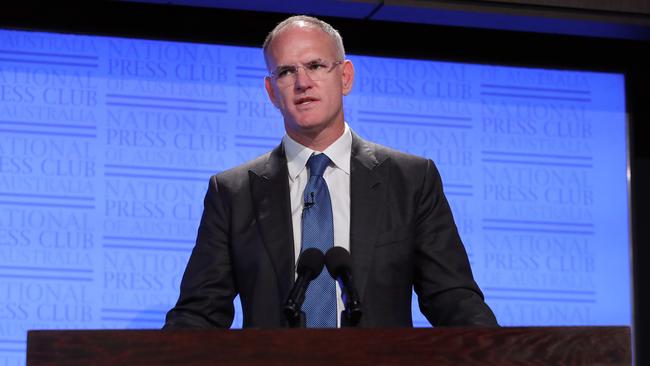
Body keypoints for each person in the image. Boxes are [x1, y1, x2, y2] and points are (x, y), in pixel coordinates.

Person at [164, 15, 497, 328]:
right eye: (286, 72)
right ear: (271, 92)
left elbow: (453, 299)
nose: (302, 83)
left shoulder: (410, 179)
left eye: (315, 65)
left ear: (345, 77)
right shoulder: (233, 192)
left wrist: (502, 353)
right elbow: (199, 314)